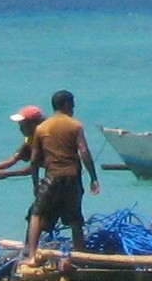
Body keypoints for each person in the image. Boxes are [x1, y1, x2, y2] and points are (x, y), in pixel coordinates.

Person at [25, 89, 101, 259]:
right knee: (75, 219)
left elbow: (34, 159)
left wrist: (35, 182)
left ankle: (31, 255)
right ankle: (81, 256)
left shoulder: (42, 128)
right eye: (72, 105)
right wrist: (93, 178)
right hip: (72, 177)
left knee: (37, 214)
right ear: (66, 105)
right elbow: (84, 151)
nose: (73, 109)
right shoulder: (75, 125)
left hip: (53, 177)